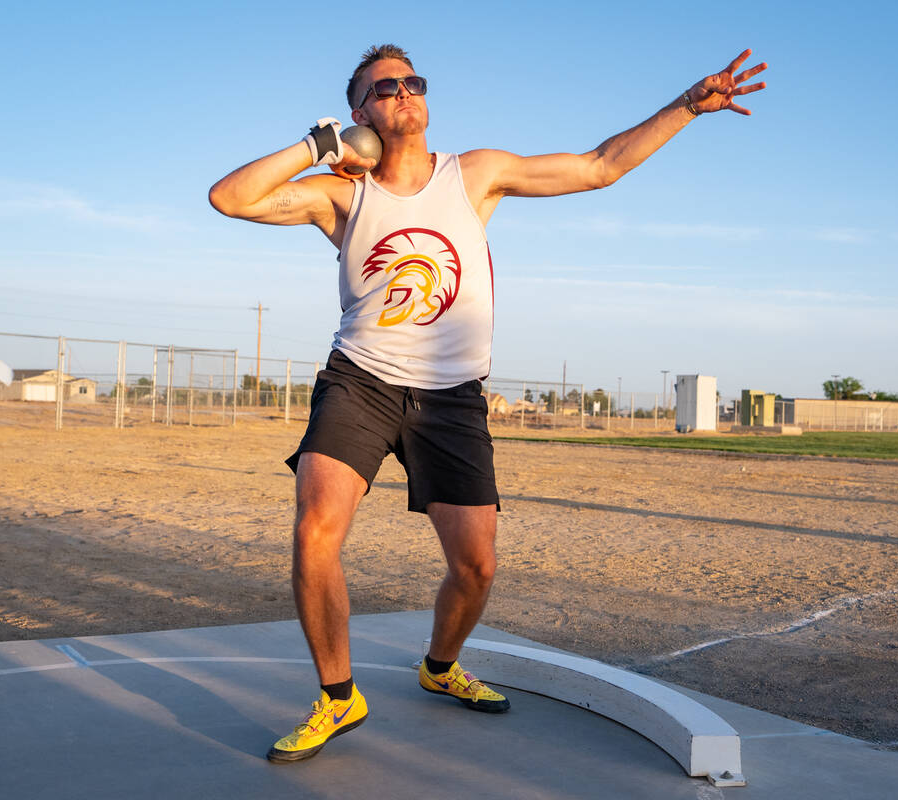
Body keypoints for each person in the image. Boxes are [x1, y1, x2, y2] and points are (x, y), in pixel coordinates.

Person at [208, 43, 766, 763]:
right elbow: (229, 198)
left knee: (476, 568)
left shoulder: (474, 174)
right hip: (361, 382)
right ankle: (339, 696)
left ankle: (440, 668)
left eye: (413, 81)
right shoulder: (341, 195)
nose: (404, 92)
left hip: (453, 399)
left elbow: (600, 166)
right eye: (385, 87)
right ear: (360, 112)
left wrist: (687, 105)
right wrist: (319, 147)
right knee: (316, 528)